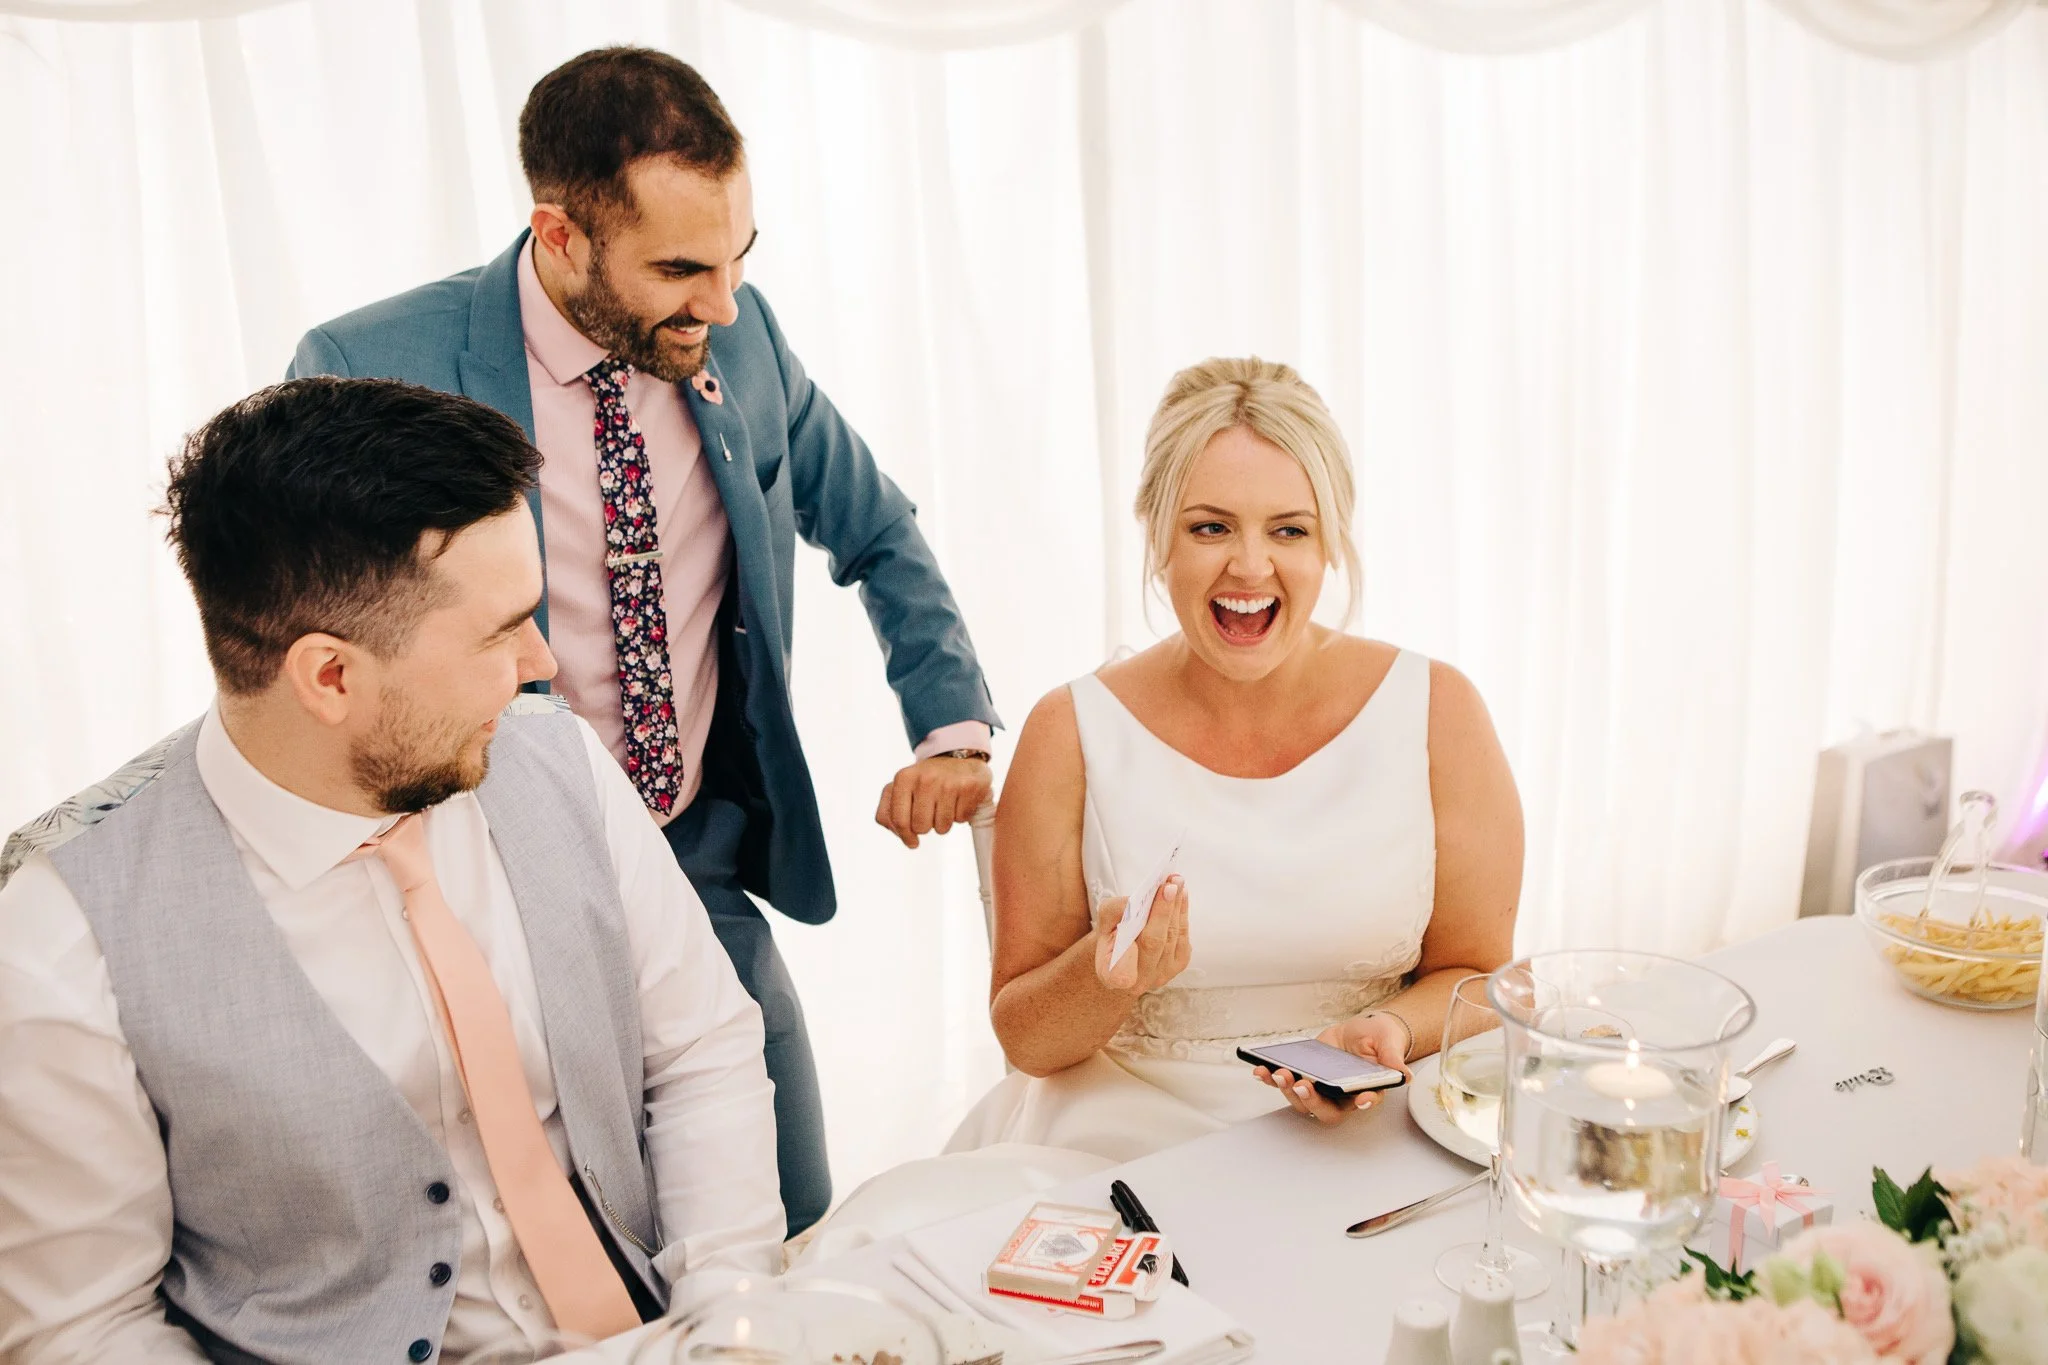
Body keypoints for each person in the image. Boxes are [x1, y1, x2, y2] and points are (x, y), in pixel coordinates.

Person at [284, 47, 998, 1234]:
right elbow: (320, 663)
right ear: (559, 236)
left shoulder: (742, 340)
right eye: (678, 269)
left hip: (692, 855)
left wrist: (952, 728)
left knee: (788, 1213)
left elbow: (872, 528)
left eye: (737, 258)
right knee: (543, 1245)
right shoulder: (369, 369)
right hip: (474, 885)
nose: (721, 305)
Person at [0, 379, 784, 1364]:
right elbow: (85, 1327)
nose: (540, 661)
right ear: (330, 676)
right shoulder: (60, 934)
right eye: (500, 631)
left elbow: (700, 1054)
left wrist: (721, 1318)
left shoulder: (562, 763)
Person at [948, 357, 1521, 1161]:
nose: (1250, 567)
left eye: (1289, 529)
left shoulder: (1438, 710)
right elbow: (1026, 1040)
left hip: (1370, 1137)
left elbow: (1478, 978)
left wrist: (1390, 1028)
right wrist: (1104, 977)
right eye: (1210, 527)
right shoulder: (1068, 729)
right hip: (1118, 1144)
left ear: (1330, 542)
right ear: (1158, 536)